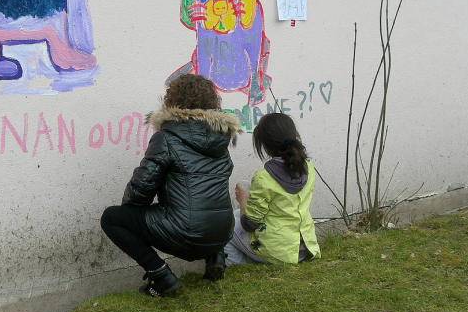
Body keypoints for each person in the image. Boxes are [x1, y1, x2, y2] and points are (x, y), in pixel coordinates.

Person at [100, 74, 243, 297]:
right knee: (203, 205)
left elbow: (142, 188)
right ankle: (216, 257)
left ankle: (160, 276)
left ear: (172, 101)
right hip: (222, 230)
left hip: (187, 232)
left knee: (111, 218)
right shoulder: (221, 141)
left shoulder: (167, 137)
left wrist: (131, 212)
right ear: (212, 104)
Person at [224, 112, 320, 266]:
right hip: (304, 247)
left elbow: (249, 224)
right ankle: (253, 259)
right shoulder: (308, 168)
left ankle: (239, 266)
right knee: (234, 215)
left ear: (265, 147)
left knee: (223, 224)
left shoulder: (264, 178)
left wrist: (243, 201)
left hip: (277, 251)